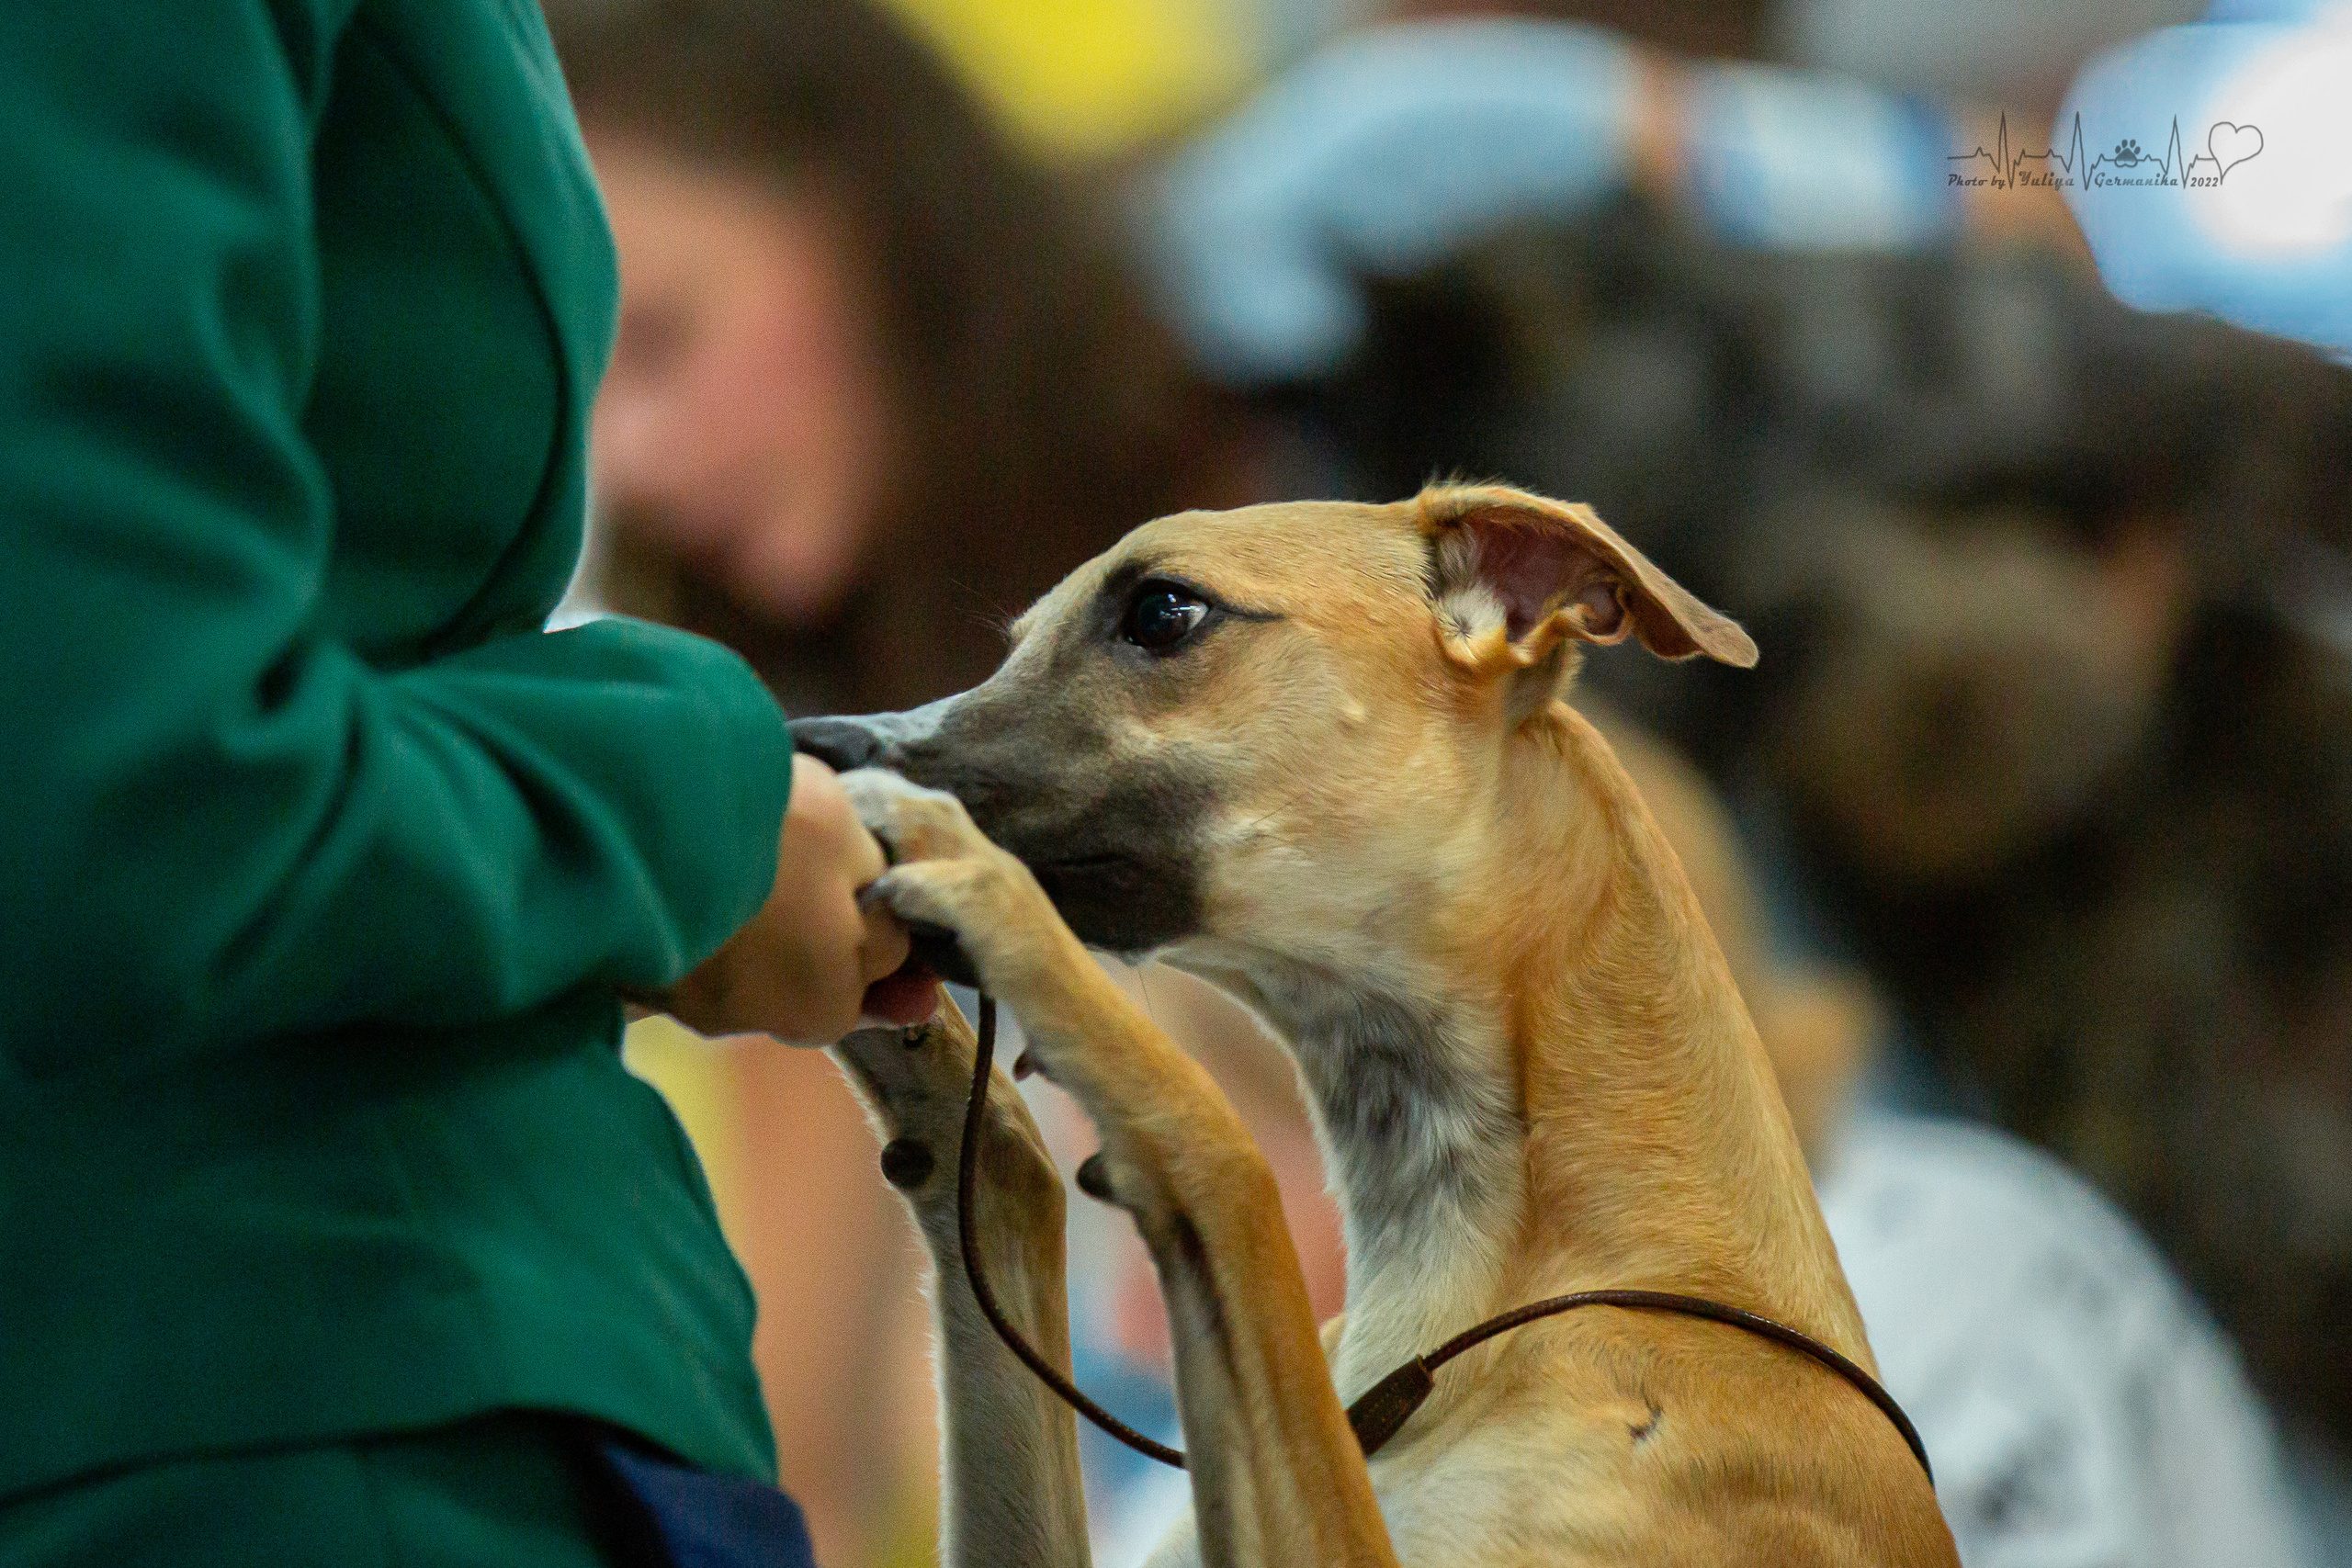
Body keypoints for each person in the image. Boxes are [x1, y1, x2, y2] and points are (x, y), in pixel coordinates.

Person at [0, 5, 924, 1563]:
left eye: (677, 333)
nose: (640, 460)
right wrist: (696, 796)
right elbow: (137, 792)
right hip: (305, 1397)